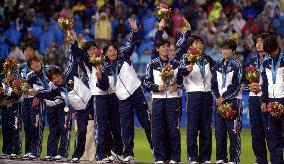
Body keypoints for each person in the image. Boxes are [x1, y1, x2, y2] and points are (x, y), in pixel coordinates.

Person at [101, 18, 152, 163]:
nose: (112, 52)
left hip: (136, 91)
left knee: (146, 123)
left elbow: (131, 43)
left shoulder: (124, 55)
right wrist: (99, 77)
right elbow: (104, 86)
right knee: (127, 126)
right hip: (122, 98)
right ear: (105, 53)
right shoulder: (104, 68)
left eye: (114, 50)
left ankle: (157, 150)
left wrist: (134, 30)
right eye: (109, 51)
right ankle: (128, 154)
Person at [81, 41, 123, 162]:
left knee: (115, 125)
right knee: (101, 126)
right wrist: (73, 42)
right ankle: (101, 154)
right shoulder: (88, 63)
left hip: (112, 95)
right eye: (89, 50)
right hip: (99, 97)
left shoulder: (105, 60)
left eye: (94, 48)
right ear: (87, 54)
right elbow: (78, 53)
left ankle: (116, 152)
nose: (92, 51)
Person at [179, 35, 216, 164]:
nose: (199, 45)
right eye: (196, 43)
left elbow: (217, 72)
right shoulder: (185, 57)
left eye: (201, 43)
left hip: (206, 94)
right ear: (190, 46)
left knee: (206, 127)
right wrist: (187, 68)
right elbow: (180, 72)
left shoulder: (207, 59)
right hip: (193, 94)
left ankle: (205, 157)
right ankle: (192, 157)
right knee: (193, 127)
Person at [28, 66, 71, 162]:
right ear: (51, 80)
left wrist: (37, 94)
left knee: (64, 130)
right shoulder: (54, 86)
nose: (57, 79)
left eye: (57, 76)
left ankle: (62, 154)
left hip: (64, 108)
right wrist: (37, 94)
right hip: (52, 108)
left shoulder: (69, 82)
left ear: (61, 74)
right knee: (53, 131)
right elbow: (49, 94)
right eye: (53, 78)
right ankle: (51, 153)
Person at [211, 39, 242, 164]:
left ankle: (234, 159)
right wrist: (218, 97)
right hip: (219, 102)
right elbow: (213, 84)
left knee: (233, 133)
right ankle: (220, 158)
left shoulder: (236, 65)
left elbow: (237, 85)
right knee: (220, 133)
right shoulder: (217, 66)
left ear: (233, 51)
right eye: (223, 49)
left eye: (227, 49)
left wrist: (224, 97)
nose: (224, 51)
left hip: (233, 102)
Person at [243, 33, 272, 164]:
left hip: (269, 98)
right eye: (257, 41)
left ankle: (275, 159)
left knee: (271, 130)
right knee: (256, 131)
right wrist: (249, 86)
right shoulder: (251, 60)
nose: (258, 44)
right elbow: (243, 80)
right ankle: (260, 159)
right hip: (253, 99)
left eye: (261, 41)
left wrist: (261, 88)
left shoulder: (273, 60)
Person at [261, 35, 284, 164]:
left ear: (277, 48)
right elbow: (265, 83)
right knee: (274, 135)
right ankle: (276, 162)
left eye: (272, 52)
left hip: (283, 99)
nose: (271, 54)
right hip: (271, 101)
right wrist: (264, 101)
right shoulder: (266, 61)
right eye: (268, 53)